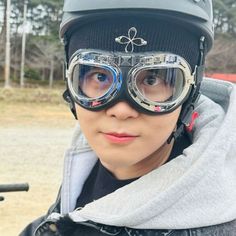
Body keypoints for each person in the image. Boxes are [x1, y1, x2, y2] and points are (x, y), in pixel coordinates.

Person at [20, 0, 236, 235]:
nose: (121, 110)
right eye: (100, 76)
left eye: (153, 79)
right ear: (71, 84)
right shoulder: (83, 167)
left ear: (190, 92)